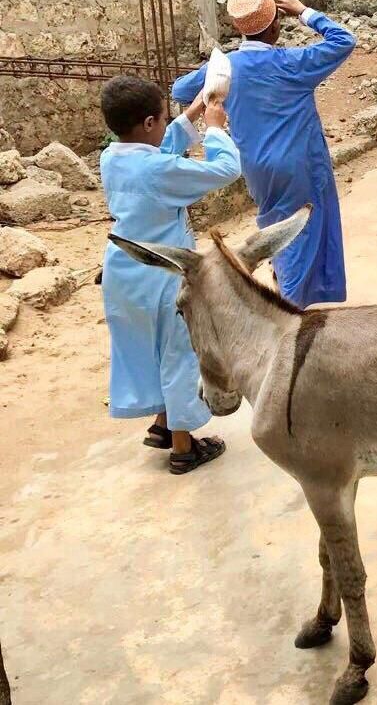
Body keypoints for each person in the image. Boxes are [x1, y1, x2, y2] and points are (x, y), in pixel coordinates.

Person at [172, 0, 355, 308]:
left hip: (254, 165)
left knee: (274, 227)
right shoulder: (292, 63)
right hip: (300, 164)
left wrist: (215, 90)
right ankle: (288, 309)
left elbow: (180, 89)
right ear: (274, 26)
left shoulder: (225, 67)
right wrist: (303, 11)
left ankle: (282, 284)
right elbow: (344, 40)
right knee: (298, 234)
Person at [99, 75, 242, 474]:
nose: (167, 123)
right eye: (164, 117)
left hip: (124, 272)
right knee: (180, 353)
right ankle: (183, 447)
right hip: (164, 276)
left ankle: (162, 424)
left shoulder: (111, 157)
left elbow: (158, 152)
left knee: (148, 348)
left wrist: (193, 111)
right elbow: (226, 168)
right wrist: (214, 128)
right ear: (147, 123)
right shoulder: (159, 172)